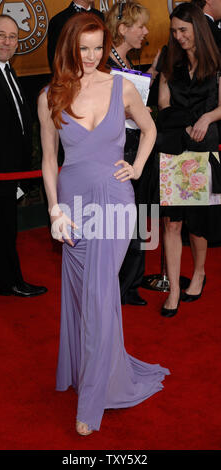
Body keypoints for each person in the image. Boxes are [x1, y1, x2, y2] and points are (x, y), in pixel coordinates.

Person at [38, 12, 169, 435]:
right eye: (83, 48)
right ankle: (91, 369)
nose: (92, 56)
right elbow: (48, 160)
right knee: (80, 295)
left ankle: (90, 403)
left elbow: (149, 130)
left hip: (114, 201)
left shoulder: (122, 86)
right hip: (73, 204)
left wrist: (136, 166)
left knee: (99, 294)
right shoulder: (50, 96)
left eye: (98, 47)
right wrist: (55, 210)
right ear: (69, 50)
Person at [157, 2, 221, 317]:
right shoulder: (171, 61)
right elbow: (163, 103)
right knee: (172, 223)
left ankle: (198, 273)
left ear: (198, 27)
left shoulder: (217, 60)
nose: (178, 37)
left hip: (203, 150)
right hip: (173, 148)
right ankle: (173, 290)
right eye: (174, 31)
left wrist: (208, 117)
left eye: (183, 30)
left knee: (198, 225)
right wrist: (182, 122)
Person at [105, 1, 159, 306]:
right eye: (140, 26)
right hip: (121, 152)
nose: (146, 32)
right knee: (122, 220)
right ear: (122, 29)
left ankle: (132, 283)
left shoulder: (126, 64)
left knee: (143, 218)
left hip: (139, 150)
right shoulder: (104, 65)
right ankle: (119, 283)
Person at [0, 15, 47, 297]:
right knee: (3, 230)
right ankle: (12, 282)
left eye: (13, 37)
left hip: (11, 171)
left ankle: (9, 281)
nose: (8, 42)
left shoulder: (7, 70)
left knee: (5, 230)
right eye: (1, 35)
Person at [47, 0, 104, 69]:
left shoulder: (100, 16)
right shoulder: (59, 20)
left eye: (98, 48)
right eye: (83, 48)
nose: (91, 57)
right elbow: (55, 59)